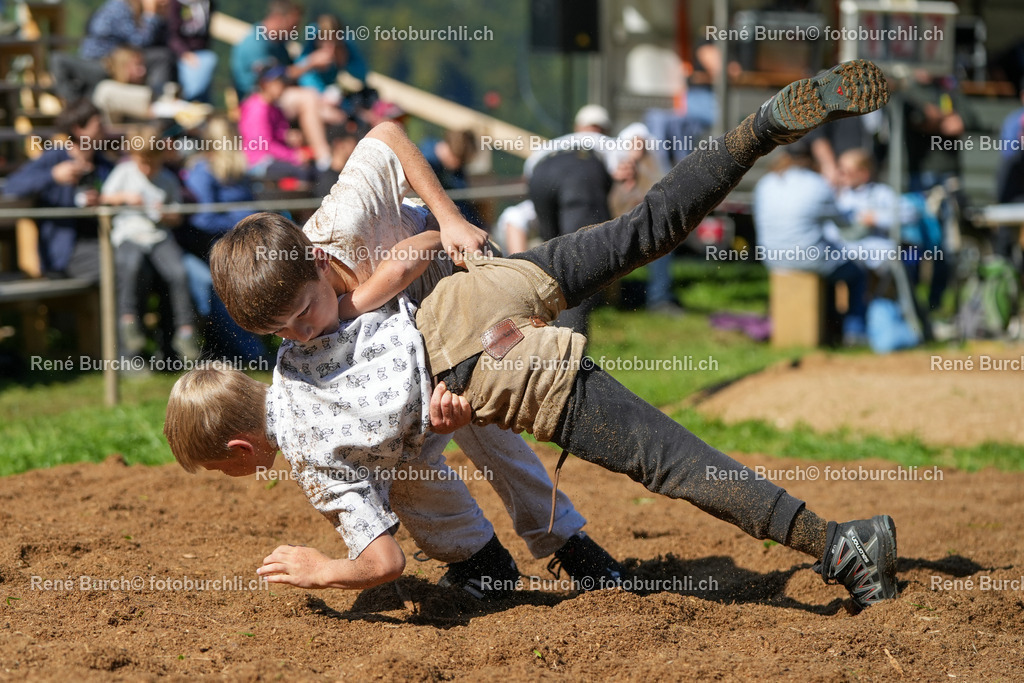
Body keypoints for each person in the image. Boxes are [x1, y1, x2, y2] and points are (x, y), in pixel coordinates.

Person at [169, 61, 899, 610]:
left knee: (669, 459)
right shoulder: (297, 346)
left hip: (492, 370)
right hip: (468, 297)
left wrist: (321, 566)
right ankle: (758, 129)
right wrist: (399, 284)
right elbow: (410, 276)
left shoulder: (312, 448)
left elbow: (383, 555)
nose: (302, 329)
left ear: (240, 449)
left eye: (305, 312)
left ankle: (841, 545)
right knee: (638, 230)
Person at [215, 119, 622, 594]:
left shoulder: (344, 222)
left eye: (304, 313)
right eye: (277, 331)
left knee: (489, 435)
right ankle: (480, 562)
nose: (300, 335)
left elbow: (386, 134)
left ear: (321, 262)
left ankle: (571, 544)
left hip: (451, 289)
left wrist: (449, 218)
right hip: (401, 341)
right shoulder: (306, 320)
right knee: (395, 456)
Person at [754, 140, 868, 345]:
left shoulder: (766, 182)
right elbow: (844, 226)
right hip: (808, 259)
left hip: (772, 257)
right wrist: (865, 221)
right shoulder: (818, 184)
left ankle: (828, 327)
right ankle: (854, 332)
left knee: (829, 260)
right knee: (856, 272)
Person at [101, 125, 199, 362]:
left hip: (158, 236)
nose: (147, 169)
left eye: (152, 163)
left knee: (178, 272)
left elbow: (177, 215)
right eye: (142, 163)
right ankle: (129, 321)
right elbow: (103, 197)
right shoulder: (124, 172)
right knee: (131, 267)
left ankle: (185, 331)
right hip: (130, 234)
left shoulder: (166, 178)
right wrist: (124, 198)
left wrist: (165, 214)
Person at [179, 116, 267, 362]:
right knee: (222, 288)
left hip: (245, 244)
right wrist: (242, 221)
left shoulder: (238, 172)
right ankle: (250, 352)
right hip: (212, 248)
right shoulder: (202, 171)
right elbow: (201, 220)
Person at [4, 100, 114, 282]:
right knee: (118, 265)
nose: (104, 129)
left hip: (101, 241)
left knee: (135, 261)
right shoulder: (55, 158)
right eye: (98, 124)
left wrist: (103, 199)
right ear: (79, 129)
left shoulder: (104, 164)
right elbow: (11, 186)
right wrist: (52, 176)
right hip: (65, 253)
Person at [230, 0, 342, 170]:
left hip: (278, 102)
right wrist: (310, 63)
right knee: (309, 98)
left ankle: (333, 162)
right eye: (293, 24)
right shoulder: (255, 43)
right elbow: (272, 81)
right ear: (279, 18)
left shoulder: (279, 44)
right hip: (257, 102)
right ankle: (323, 160)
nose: (295, 30)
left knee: (331, 113)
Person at [238, 62, 316, 184]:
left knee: (312, 168)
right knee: (304, 172)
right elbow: (263, 145)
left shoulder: (274, 107)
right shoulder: (257, 108)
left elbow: (278, 132)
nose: (283, 85)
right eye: (279, 81)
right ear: (265, 84)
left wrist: (288, 135)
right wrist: (293, 156)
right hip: (258, 163)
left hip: (274, 158)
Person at [166, 0, 217, 102]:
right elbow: (171, 35)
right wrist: (184, 53)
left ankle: (196, 104)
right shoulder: (176, 4)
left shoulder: (208, 3)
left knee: (208, 61)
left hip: (201, 52)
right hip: (179, 52)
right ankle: (190, 102)